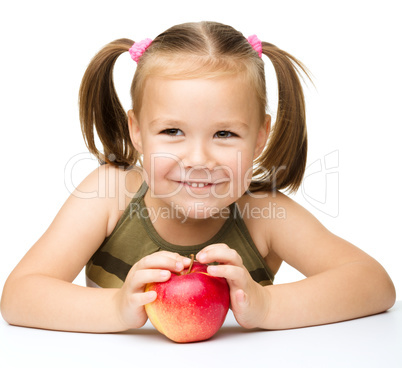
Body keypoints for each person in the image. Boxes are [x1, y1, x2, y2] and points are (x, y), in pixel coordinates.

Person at [0, 21, 395, 333]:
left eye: (225, 134)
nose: (199, 158)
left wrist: (267, 305)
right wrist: (117, 307)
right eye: (172, 131)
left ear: (260, 136)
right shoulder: (108, 196)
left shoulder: (264, 215)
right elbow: (19, 296)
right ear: (137, 130)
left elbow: (374, 284)